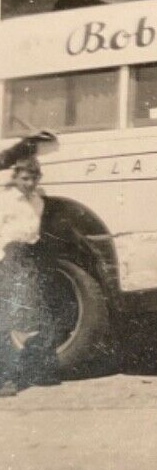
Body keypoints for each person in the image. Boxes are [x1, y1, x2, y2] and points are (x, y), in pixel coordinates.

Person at [0, 155, 59, 396]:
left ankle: (30, 371)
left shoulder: (38, 200)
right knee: (7, 320)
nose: (29, 183)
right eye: (25, 178)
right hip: (8, 257)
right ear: (15, 178)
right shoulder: (5, 200)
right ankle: (7, 379)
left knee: (30, 320)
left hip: (30, 258)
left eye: (34, 179)